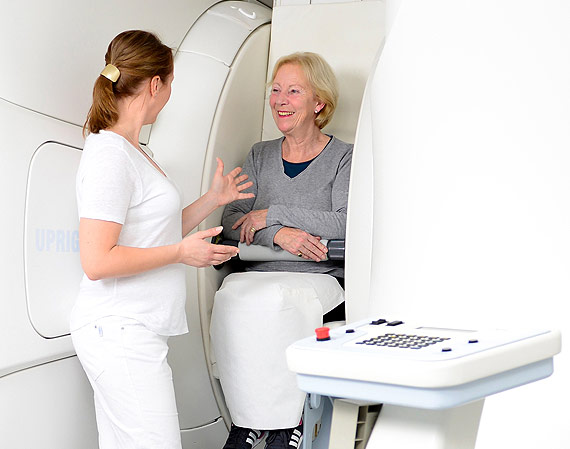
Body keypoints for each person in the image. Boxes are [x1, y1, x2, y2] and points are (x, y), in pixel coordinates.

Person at [70, 30, 253, 449]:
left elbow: (155, 230)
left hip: (130, 330)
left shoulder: (134, 152)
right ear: (156, 84)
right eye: (170, 83)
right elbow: (97, 261)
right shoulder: (110, 155)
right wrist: (181, 253)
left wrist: (213, 199)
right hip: (117, 330)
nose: (170, 93)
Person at [211, 52, 352, 449]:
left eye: (293, 91)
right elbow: (234, 217)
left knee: (277, 307)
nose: (280, 100)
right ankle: (249, 420)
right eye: (275, 90)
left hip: (316, 278)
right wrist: (279, 236)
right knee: (232, 298)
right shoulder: (260, 155)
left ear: (318, 103)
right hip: (255, 274)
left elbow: (344, 222)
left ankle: (288, 423)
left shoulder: (343, 157)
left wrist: (273, 214)